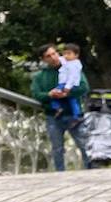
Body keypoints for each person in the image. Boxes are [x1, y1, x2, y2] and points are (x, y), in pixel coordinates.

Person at [30, 43, 90, 171]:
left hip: (74, 115)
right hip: (53, 116)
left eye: (54, 53)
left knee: (84, 145)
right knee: (57, 149)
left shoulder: (72, 67)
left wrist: (66, 94)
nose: (53, 57)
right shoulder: (40, 77)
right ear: (44, 59)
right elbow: (37, 94)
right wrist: (50, 94)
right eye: (48, 56)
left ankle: (92, 170)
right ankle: (60, 174)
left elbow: (84, 87)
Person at [53, 43, 84, 121]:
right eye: (65, 53)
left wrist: (67, 87)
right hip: (65, 83)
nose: (66, 56)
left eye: (69, 53)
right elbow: (60, 59)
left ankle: (58, 108)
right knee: (72, 100)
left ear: (76, 55)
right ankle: (77, 115)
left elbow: (72, 77)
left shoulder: (74, 65)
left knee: (54, 95)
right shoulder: (68, 61)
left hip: (66, 84)